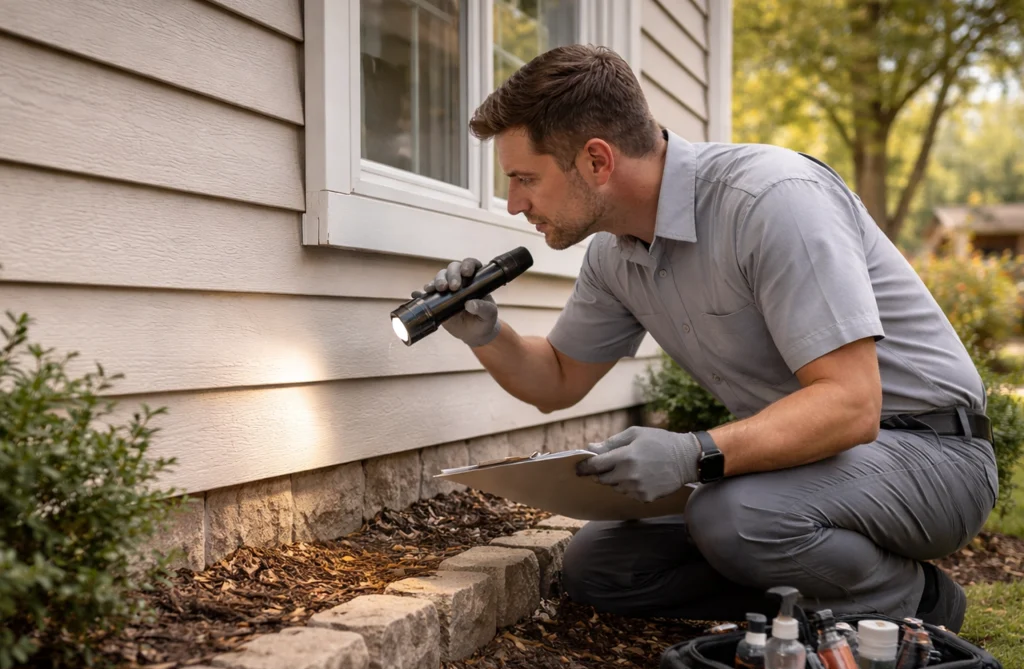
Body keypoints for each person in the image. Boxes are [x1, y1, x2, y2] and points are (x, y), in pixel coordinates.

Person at [415, 45, 997, 632]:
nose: (515, 204)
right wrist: (487, 334)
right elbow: (558, 380)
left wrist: (691, 453)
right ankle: (803, 605)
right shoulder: (615, 256)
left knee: (735, 517)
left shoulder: (772, 201)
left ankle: (918, 602)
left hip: (932, 451)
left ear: (596, 161)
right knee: (602, 567)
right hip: (800, 466)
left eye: (525, 179)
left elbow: (851, 404)